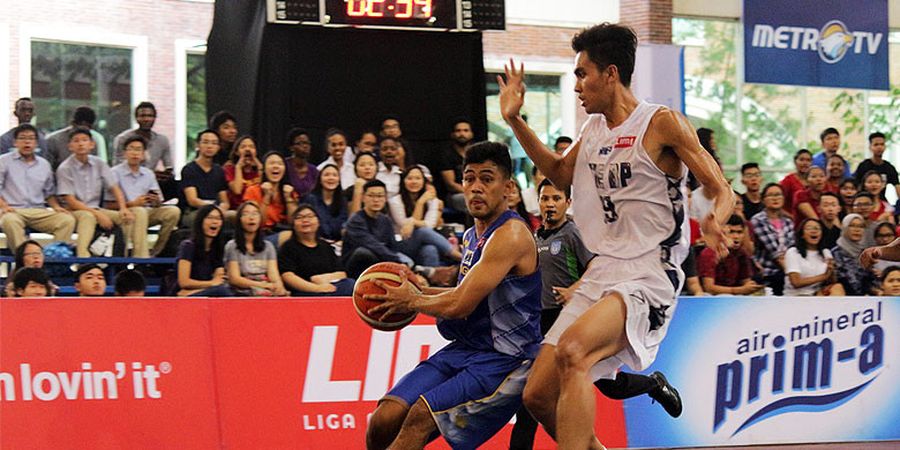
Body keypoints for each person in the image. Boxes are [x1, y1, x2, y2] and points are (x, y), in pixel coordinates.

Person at [499, 23, 733, 449]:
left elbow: (720, 188)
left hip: (650, 272)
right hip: (605, 269)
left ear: (610, 74)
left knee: (574, 354)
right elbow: (557, 173)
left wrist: (716, 218)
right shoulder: (592, 132)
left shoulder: (662, 123)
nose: (575, 87)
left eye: (581, 74)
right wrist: (514, 120)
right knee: (536, 395)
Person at [363, 141, 542, 450]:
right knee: (384, 418)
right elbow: (461, 290)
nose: (476, 187)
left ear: (508, 187)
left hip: (504, 361)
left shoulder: (510, 235)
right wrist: (413, 288)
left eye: (487, 179)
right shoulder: (472, 234)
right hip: (465, 349)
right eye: (469, 178)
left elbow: (461, 304)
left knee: (419, 417)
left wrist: (413, 300)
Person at [509, 179, 682, 449]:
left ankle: (653, 384)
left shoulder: (573, 232)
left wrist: (574, 291)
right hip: (540, 322)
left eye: (555, 198)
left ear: (568, 203)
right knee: (531, 399)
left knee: (610, 387)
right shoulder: (535, 236)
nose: (549, 204)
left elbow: (596, 266)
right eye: (544, 199)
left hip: (572, 319)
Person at [343, 180, 457, 285]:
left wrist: (402, 261)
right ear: (363, 198)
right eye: (371, 196)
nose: (376, 200)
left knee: (428, 245)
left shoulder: (385, 219)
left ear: (385, 198)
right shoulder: (356, 220)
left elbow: (393, 247)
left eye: (380, 196)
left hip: (384, 257)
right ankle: (422, 272)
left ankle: (432, 284)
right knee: (366, 252)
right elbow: (373, 245)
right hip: (360, 263)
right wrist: (402, 263)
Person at [56, 127, 136, 257]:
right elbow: (70, 201)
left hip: (97, 209)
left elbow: (114, 187)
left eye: (84, 140)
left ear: (92, 144)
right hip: (75, 211)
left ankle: (122, 257)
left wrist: (123, 208)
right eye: (76, 141)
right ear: (70, 146)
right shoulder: (65, 168)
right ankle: (83, 256)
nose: (81, 144)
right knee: (88, 217)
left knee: (127, 217)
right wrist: (97, 214)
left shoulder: (99, 163)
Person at [0, 124, 75, 252]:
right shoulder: (4, 161)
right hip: (13, 209)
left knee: (66, 220)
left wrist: (56, 207)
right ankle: (24, 260)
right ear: (15, 142)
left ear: (36, 143)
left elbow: (49, 193)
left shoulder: (44, 164)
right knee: (10, 221)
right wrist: (3, 206)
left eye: (31, 138)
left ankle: (53, 261)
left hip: (38, 210)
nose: (27, 142)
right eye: (22, 138)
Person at [109, 135, 181, 257]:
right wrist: (133, 204)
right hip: (125, 211)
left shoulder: (148, 174)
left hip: (147, 211)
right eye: (131, 149)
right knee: (139, 211)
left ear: (143, 154)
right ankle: (140, 256)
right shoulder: (114, 173)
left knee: (173, 211)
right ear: (125, 153)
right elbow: (108, 204)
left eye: (138, 149)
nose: (134, 153)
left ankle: (157, 252)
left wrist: (156, 201)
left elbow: (157, 199)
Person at [278, 205, 354, 296]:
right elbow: (288, 276)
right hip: (305, 291)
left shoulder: (325, 246)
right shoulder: (288, 247)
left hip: (330, 287)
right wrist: (317, 288)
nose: (305, 220)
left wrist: (322, 279)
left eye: (310, 216)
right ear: (293, 225)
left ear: (318, 222)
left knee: (350, 283)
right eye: (299, 217)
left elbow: (341, 273)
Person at [224, 201, 288, 297]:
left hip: (266, 290)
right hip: (242, 293)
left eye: (255, 213)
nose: (251, 217)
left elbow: (274, 275)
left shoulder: (268, 246)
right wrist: (262, 285)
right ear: (239, 220)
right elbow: (234, 278)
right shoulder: (232, 246)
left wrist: (279, 288)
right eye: (246, 214)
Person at [111, 102, 174, 198]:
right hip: (127, 180)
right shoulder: (123, 138)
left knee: (173, 182)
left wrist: (165, 174)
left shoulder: (162, 140)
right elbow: (118, 166)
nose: (146, 119)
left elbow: (169, 166)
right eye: (142, 116)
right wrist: (149, 173)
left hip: (152, 181)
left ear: (155, 118)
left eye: (150, 116)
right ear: (136, 118)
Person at [175, 204, 233, 297]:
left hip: (201, 292)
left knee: (224, 289)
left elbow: (219, 280)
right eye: (210, 218)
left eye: (218, 219)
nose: (214, 222)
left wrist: (207, 286)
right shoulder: (188, 246)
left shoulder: (218, 248)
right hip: (184, 298)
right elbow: (184, 282)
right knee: (221, 291)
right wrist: (211, 284)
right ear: (200, 221)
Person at [698, 214, 762, 295]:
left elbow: (745, 282)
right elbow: (709, 288)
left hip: (734, 298)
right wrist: (739, 290)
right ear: (722, 233)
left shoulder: (741, 253)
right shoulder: (709, 253)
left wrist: (751, 287)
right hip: (709, 299)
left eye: (739, 232)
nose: (736, 236)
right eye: (731, 232)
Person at [242, 151, 299, 241]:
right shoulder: (252, 190)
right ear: (264, 169)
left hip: (282, 230)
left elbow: (293, 222)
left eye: (280, 164)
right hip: (260, 236)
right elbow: (258, 223)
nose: (276, 166)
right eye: (271, 163)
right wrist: (266, 197)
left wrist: (288, 198)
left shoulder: (289, 191)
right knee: (290, 236)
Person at [180, 129, 232, 226]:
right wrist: (213, 209)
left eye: (214, 143)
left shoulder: (219, 170)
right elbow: (193, 200)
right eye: (205, 142)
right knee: (208, 220)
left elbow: (225, 201)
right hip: (194, 211)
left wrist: (222, 208)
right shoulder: (189, 169)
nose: (210, 146)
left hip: (216, 210)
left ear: (218, 147)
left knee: (237, 216)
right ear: (197, 145)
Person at [751, 184, 794, 296]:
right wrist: (791, 274)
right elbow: (775, 252)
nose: (775, 198)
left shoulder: (788, 222)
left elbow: (791, 249)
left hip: (786, 269)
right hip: (766, 271)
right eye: (770, 195)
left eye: (778, 195)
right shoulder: (758, 220)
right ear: (763, 199)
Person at [783, 219, 845, 297]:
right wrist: (823, 277)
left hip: (817, 294)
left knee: (837, 287)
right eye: (809, 228)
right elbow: (796, 282)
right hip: (797, 295)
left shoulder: (826, 252)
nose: (814, 231)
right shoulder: (793, 252)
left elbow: (831, 281)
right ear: (802, 234)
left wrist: (831, 272)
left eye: (817, 228)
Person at [388, 165, 442, 238]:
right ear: (403, 181)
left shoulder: (431, 199)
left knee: (430, 249)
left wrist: (412, 221)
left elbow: (431, 224)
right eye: (409, 178)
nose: (414, 182)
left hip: (426, 238)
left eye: (418, 178)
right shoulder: (395, 201)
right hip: (403, 239)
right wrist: (420, 203)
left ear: (424, 181)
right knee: (423, 231)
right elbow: (406, 227)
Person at [831, 214, 876, 296]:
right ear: (844, 228)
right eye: (852, 226)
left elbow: (869, 279)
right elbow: (839, 278)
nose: (857, 230)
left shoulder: (865, 253)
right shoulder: (836, 252)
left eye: (861, 226)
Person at [303, 163, 348, 242]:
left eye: (335, 175)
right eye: (327, 175)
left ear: (339, 181)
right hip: (315, 242)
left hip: (337, 243)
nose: (331, 178)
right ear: (320, 180)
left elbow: (343, 225)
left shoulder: (343, 201)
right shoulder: (310, 199)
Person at [440, 118, 474, 212]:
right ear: (453, 134)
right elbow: (451, 184)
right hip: (456, 195)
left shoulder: (477, 153)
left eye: (466, 130)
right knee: (473, 200)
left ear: (471, 134)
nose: (462, 134)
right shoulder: (447, 155)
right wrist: (471, 192)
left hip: (478, 191)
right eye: (458, 131)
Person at [854, 132, 899, 201]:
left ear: (885, 147)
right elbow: (857, 186)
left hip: (881, 202)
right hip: (864, 202)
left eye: (882, 144)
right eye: (876, 144)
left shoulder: (889, 168)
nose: (879, 147)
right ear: (870, 147)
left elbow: (897, 187)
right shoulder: (863, 166)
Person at [223, 135, 263, 210]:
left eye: (251, 147)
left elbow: (263, 189)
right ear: (236, 152)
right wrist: (238, 167)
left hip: (257, 209)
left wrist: (259, 166)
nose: (248, 149)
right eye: (243, 147)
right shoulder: (229, 169)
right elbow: (237, 190)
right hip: (237, 209)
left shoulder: (260, 169)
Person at [283, 128, 319, 197]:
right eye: (300, 143)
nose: (305, 146)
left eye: (307, 143)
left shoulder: (314, 171)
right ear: (291, 147)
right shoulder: (284, 166)